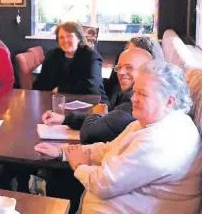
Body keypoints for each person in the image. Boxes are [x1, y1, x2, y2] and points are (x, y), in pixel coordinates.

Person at [35, 60, 201, 214]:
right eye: (135, 92)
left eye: (142, 94)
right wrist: (63, 152)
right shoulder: (149, 122)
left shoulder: (164, 139)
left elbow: (104, 184)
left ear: (169, 101)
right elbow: (109, 148)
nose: (133, 98)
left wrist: (78, 164)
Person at [42, 48, 153, 144]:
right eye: (119, 67)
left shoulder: (133, 101)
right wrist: (65, 119)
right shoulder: (131, 95)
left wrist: (97, 114)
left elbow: (90, 135)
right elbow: (106, 122)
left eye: (129, 67)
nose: (121, 72)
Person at [33, 22, 109, 104]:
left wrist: (61, 89)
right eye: (61, 37)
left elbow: (92, 86)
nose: (65, 40)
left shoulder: (91, 56)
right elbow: (41, 82)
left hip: (91, 103)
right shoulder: (53, 55)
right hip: (58, 102)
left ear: (79, 38)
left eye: (70, 36)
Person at [105, 36, 164, 102]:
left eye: (129, 67)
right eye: (127, 51)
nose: (121, 72)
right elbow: (111, 84)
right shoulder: (121, 65)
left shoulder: (140, 96)